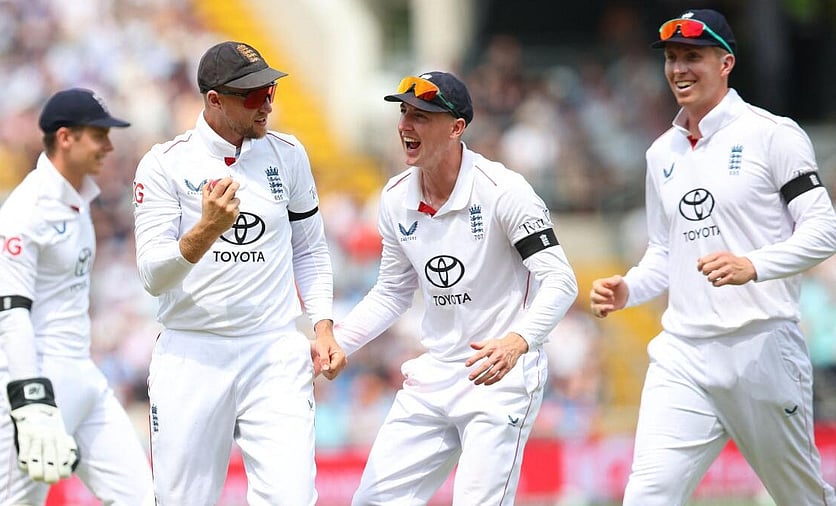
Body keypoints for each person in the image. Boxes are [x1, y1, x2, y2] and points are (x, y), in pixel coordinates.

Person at [589, 9, 836, 505]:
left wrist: (754, 265)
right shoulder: (661, 153)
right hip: (683, 352)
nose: (679, 68)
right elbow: (664, 250)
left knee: (800, 497)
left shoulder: (773, 134)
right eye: (673, 58)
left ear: (726, 63)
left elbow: (824, 230)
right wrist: (629, 288)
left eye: (693, 57)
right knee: (647, 495)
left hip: (762, 347)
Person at [335, 71, 579, 505]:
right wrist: (338, 344)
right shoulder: (394, 199)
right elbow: (392, 293)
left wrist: (517, 342)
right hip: (435, 373)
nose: (406, 125)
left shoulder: (504, 191)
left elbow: (561, 280)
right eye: (404, 113)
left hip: (500, 375)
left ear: (456, 128)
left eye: (422, 116)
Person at [132, 40, 347, 505]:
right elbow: (153, 275)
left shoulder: (288, 155)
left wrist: (324, 326)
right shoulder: (165, 164)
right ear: (215, 100)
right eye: (252, 95)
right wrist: (206, 229)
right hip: (192, 352)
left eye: (270, 90)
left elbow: (309, 250)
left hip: (272, 349)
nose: (267, 103)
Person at [0, 88, 153, 505]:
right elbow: (12, 314)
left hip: (84, 378)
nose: (108, 146)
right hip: (34, 382)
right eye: (98, 135)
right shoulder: (25, 211)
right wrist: (31, 400)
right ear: (65, 137)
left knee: (142, 498)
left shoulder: (79, 201)